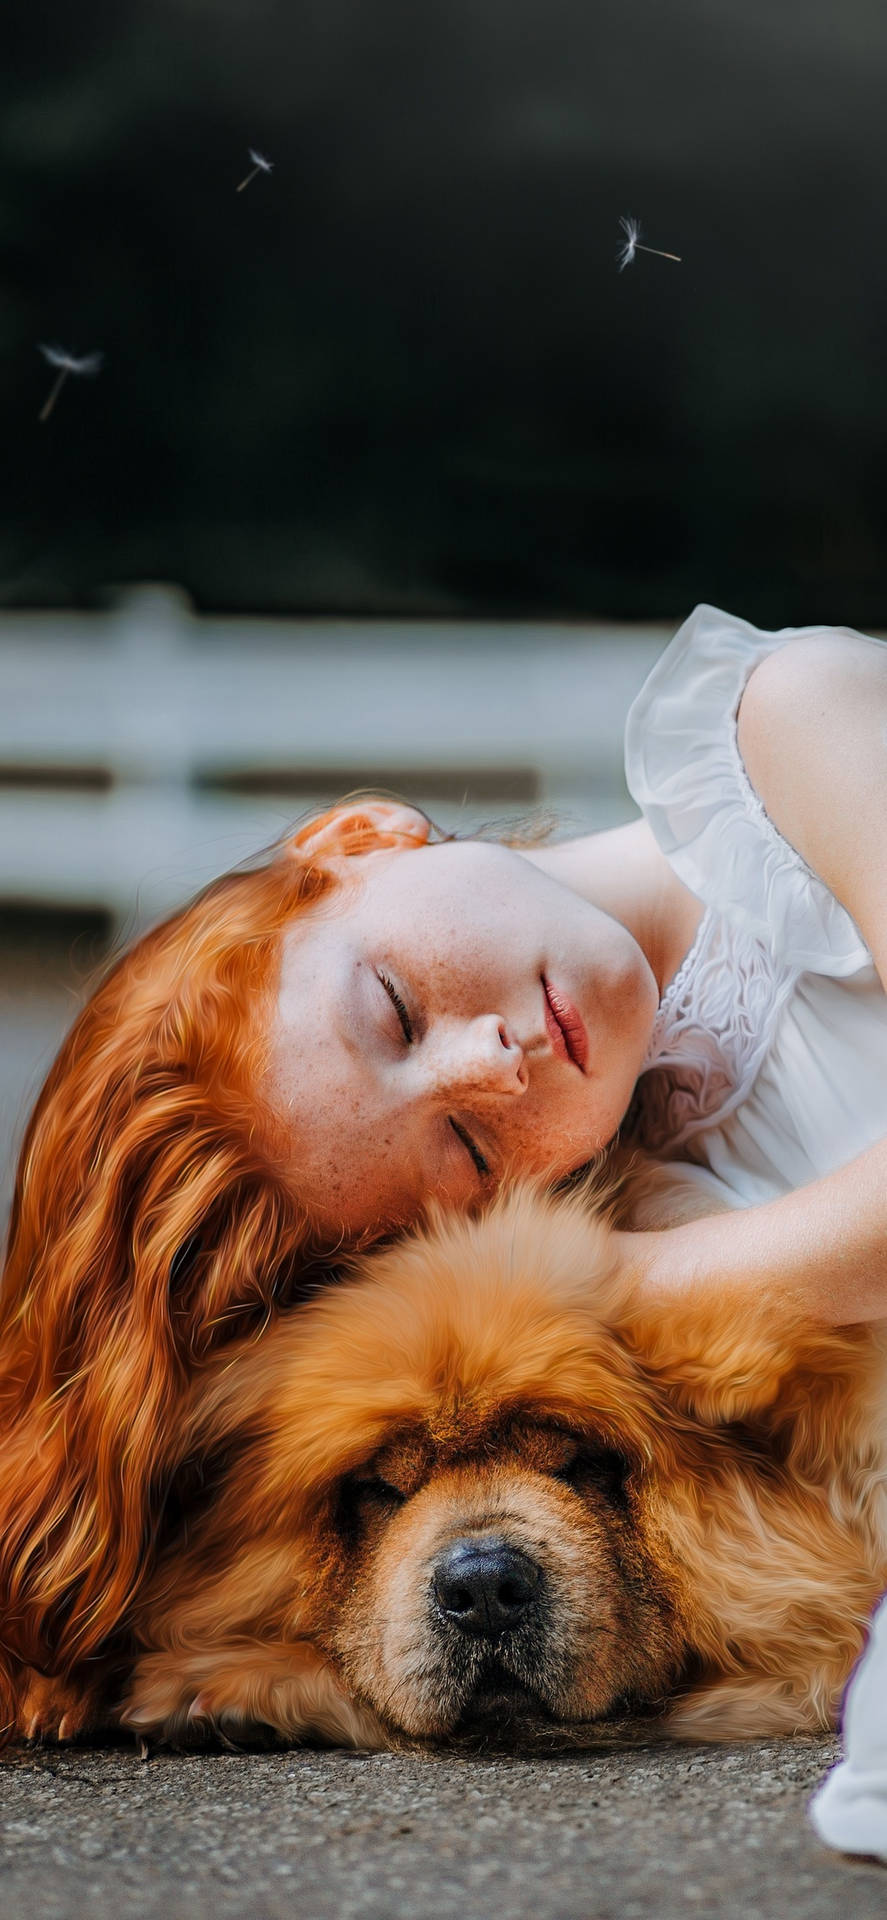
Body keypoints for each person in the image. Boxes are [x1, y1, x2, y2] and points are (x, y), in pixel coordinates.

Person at [1, 605, 886, 1813]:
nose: (488, 1067)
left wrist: (624, 1294)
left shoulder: (795, 722)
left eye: (393, 1007)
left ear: (358, 836)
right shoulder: (627, 1150)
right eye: (468, 1153)